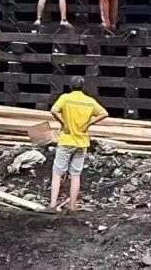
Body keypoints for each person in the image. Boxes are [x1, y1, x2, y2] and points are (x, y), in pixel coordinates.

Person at [49, 78, 108, 212]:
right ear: (83, 87)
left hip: (66, 140)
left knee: (57, 173)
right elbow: (104, 113)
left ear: (71, 86)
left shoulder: (65, 98)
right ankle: (72, 206)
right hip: (82, 142)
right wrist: (89, 124)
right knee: (75, 175)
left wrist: (63, 123)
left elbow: (54, 110)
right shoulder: (89, 101)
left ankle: (52, 204)